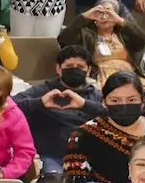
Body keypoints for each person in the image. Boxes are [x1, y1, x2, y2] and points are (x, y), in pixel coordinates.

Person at [13, 46, 105, 174]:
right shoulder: (43, 90)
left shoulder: (95, 95)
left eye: (80, 67)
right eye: (69, 66)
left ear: (88, 70)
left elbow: (112, 114)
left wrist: (84, 104)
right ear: (58, 69)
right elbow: (9, 106)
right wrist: (39, 102)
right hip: (50, 157)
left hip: (88, 157)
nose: (74, 69)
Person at [59, 0, 145, 84]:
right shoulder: (85, 33)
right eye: (99, 13)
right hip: (100, 77)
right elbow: (63, 40)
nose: (104, 17)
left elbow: (143, 40)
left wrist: (120, 21)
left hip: (129, 75)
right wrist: (84, 17)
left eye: (109, 13)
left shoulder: (123, 33)